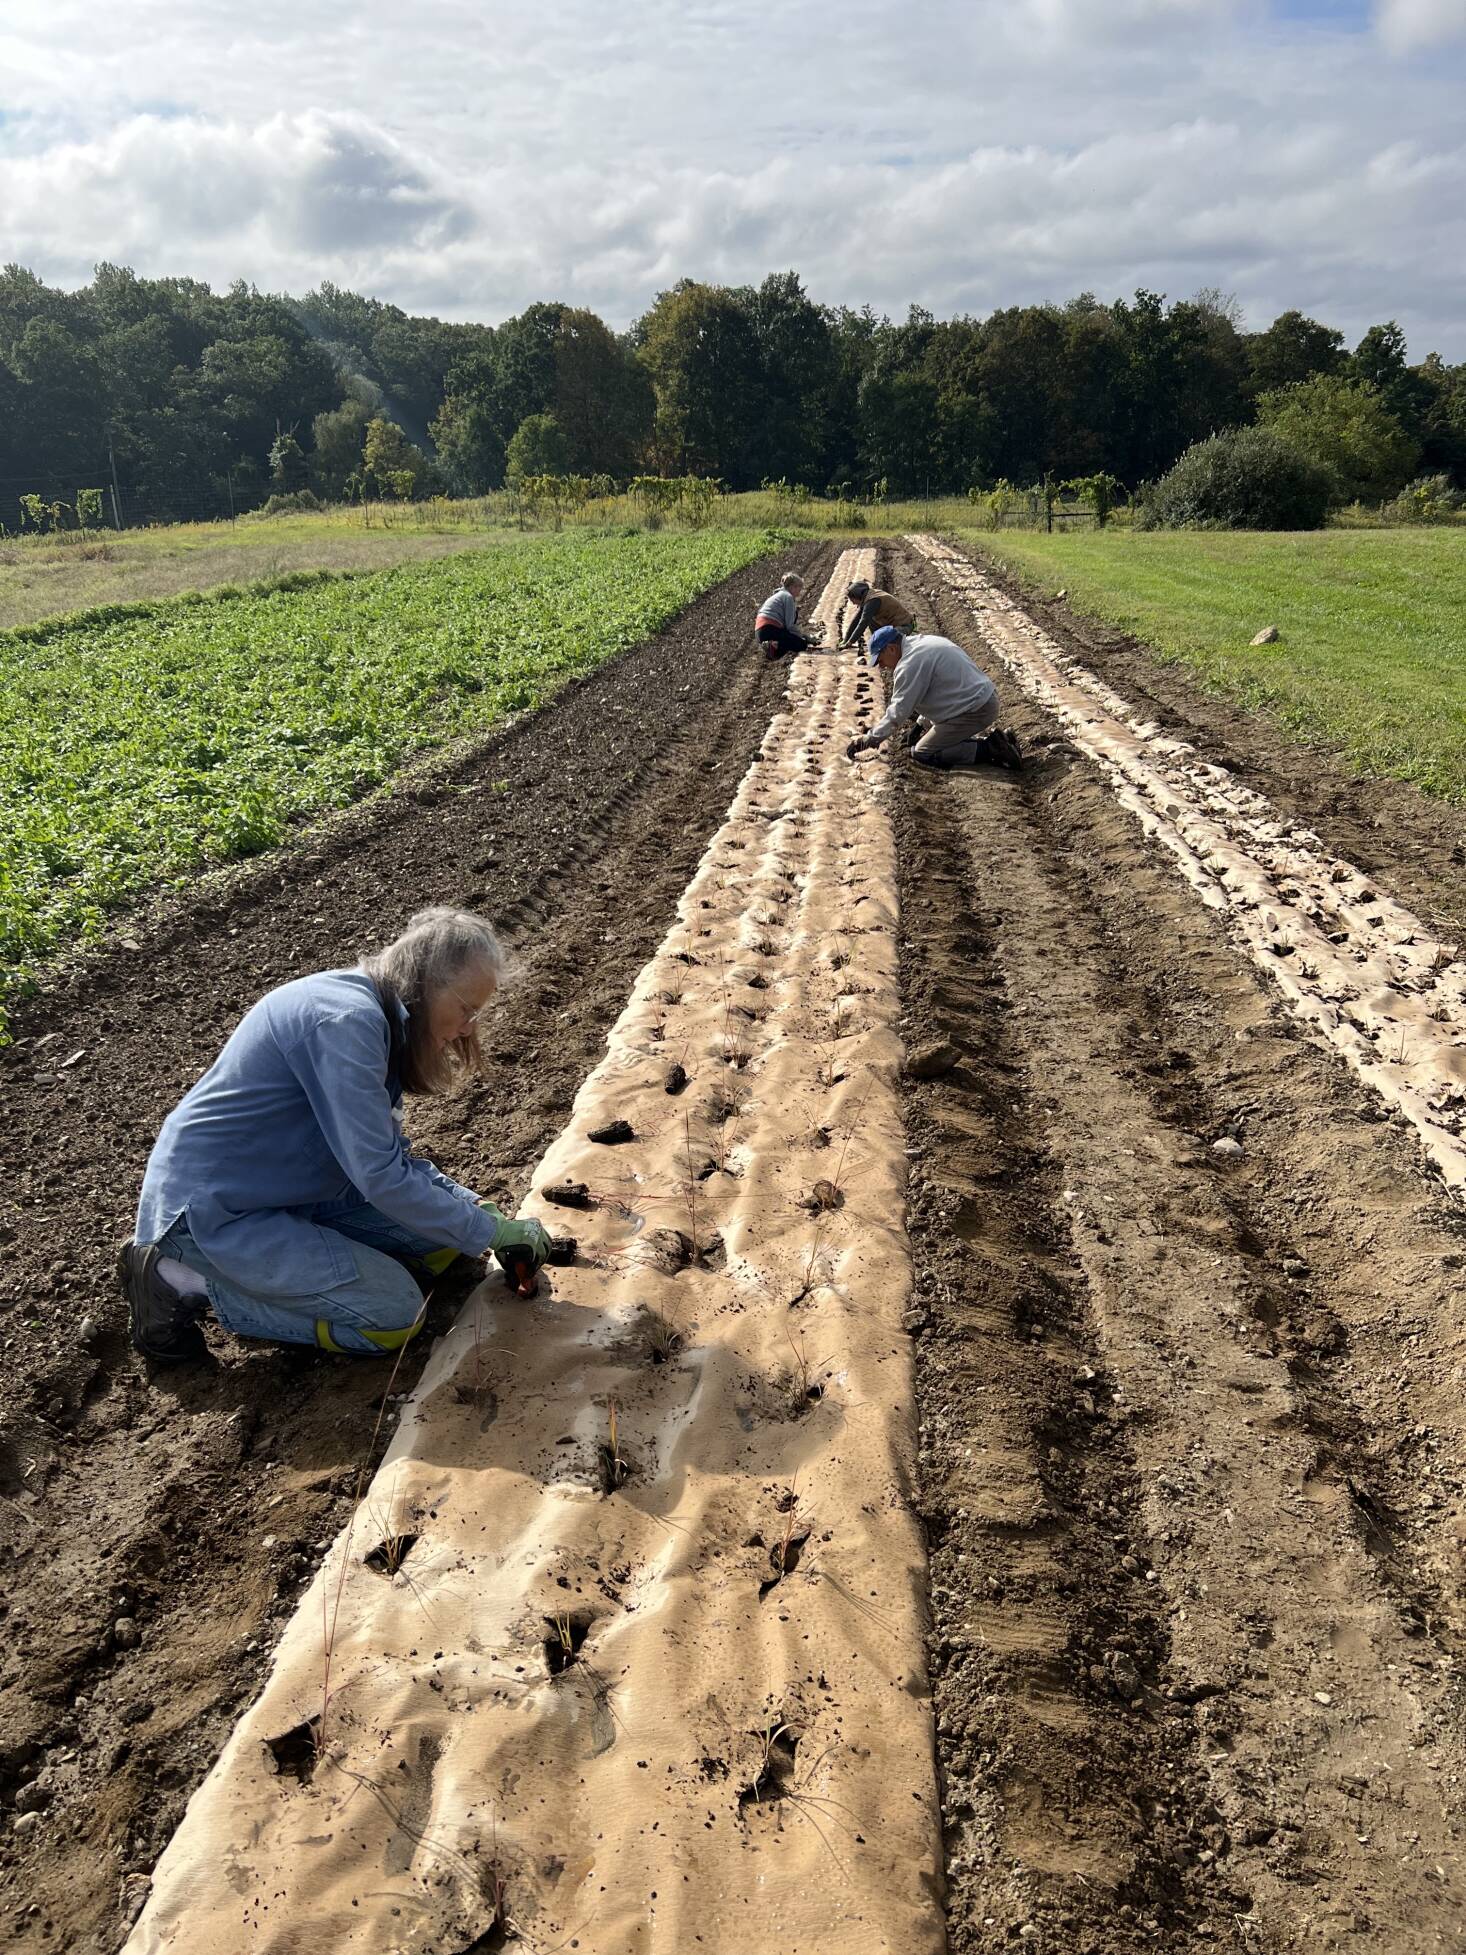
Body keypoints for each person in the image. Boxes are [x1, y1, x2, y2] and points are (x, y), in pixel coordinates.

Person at [119, 907, 549, 1364]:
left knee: (450, 1235)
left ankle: (311, 1263)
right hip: (219, 1211)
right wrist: (490, 1228)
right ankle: (179, 1279)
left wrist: (481, 1215)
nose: (468, 1028)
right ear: (426, 984)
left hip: (296, 1188)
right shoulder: (347, 1023)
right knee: (393, 1315)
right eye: (466, 1009)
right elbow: (381, 1176)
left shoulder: (383, 1019)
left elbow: (391, 1159)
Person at [846, 625, 1023, 771]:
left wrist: (870, 739)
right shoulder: (922, 643)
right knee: (930, 733)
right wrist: (919, 725)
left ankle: (991, 748)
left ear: (891, 649)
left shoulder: (909, 665)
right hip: (980, 700)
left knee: (922, 753)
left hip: (975, 710)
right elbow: (937, 691)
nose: (882, 666)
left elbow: (898, 711)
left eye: (881, 660)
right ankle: (1001, 741)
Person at [754, 572, 816, 660]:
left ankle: (773, 648)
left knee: (787, 645)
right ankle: (773, 644)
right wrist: (803, 637)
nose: (800, 592)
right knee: (801, 644)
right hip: (769, 629)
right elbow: (789, 625)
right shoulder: (788, 597)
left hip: (760, 631)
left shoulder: (778, 595)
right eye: (799, 588)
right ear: (793, 587)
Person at [838, 580, 915, 650]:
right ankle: (879, 642)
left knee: (885, 643)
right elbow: (856, 620)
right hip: (892, 625)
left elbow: (863, 623)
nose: (853, 603)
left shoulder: (872, 601)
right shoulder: (868, 596)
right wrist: (846, 640)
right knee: (871, 620)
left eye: (852, 600)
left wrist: (850, 642)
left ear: (857, 596)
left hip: (903, 626)